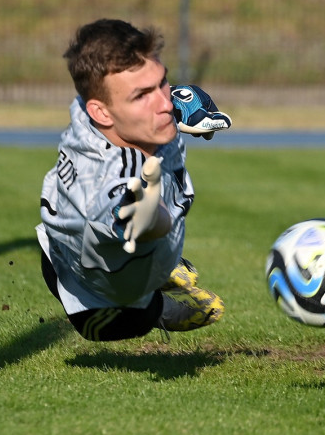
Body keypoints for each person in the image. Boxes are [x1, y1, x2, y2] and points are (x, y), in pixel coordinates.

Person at [37, 19, 233, 341]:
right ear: (101, 113)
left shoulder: (103, 107)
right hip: (94, 289)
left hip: (78, 238)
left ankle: (162, 265)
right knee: (125, 323)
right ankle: (158, 297)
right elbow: (119, 208)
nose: (165, 103)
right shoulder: (105, 180)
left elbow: (155, 97)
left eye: (162, 81)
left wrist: (191, 106)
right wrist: (149, 220)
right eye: (142, 95)